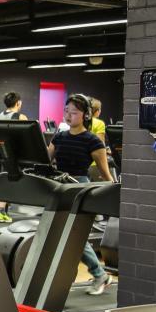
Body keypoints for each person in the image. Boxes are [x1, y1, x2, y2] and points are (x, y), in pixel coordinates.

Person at [47, 94, 114, 296]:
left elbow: (105, 174)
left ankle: (99, 273)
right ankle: (86, 274)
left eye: (74, 112)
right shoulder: (59, 136)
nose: (68, 115)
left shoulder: (92, 141)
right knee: (61, 234)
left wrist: (110, 195)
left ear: (85, 115)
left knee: (73, 236)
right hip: (60, 186)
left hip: (79, 188)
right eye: (66, 111)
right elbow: (44, 161)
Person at [0, 91, 29, 222]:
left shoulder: (1, 115)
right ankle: (1, 211)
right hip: (14, 155)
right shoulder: (20, 117)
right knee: (11, 182)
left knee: (8, 181)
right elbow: (29, 136)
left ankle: (3, 210)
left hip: (3, 153)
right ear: (18, 103)